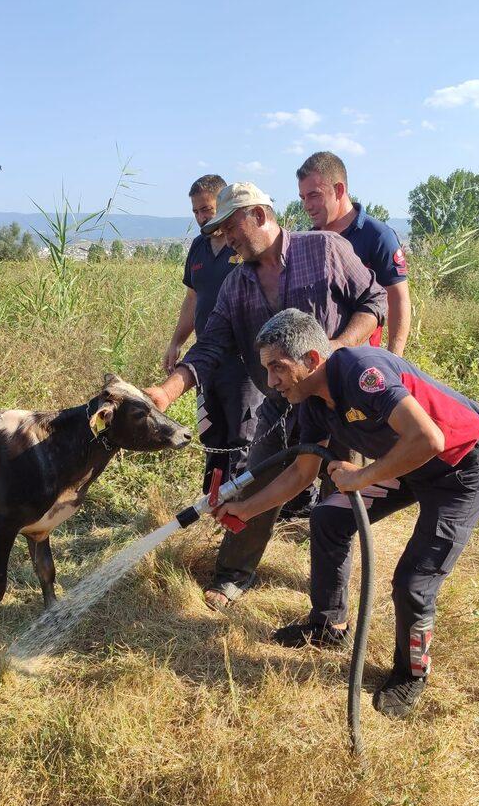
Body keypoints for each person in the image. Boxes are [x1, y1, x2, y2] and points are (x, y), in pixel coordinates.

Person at [212, 309, 479, 717]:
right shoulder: (312, 402)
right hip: (407, 463)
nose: (271, 382)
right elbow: (301, 473)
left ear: (312, 360)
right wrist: (243, 509)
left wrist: (363, 475)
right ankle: (328, 625)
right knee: (328, 518)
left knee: (413, 583)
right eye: (266, 370)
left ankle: (410, 674)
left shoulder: (361, 371)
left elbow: (428, 438)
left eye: (277, 368)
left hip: (460, 468)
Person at [145, 181, 387, 610]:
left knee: (339, 500)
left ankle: (330, 608)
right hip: (279, 404)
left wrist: (336, 348)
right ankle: (234, 575)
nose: (225, 237)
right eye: (217, 229)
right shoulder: (236, 284)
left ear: (258, 215)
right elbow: (210, 347)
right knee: (255, 480)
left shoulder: (326, 249)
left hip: (341, 399)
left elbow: (374, 300)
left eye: (229, 226)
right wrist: (166, 392)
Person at [164, 175, 262, 491]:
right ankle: (213, 503)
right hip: (206, 362)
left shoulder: (246, 248)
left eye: (206, 209)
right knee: (212, 435)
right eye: (196, 211)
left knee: (244, 437)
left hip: (245, 364)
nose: (202, 217)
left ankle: (244, 508)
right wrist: (176, 342)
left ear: (222, 205)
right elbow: (193, 299)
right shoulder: (198, 248)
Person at [297, 151, 410, 356]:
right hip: (316, 363)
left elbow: (398, 299)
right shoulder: (308, 241)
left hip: (361, 360)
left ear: (339, 190)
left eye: (314, 195)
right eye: (303, 198)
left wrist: (394, 360)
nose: (307, 206)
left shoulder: (377, 236)